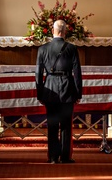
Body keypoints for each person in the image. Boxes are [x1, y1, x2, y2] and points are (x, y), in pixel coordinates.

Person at [35, 20, 83, 164]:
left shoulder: (43, 49)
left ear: (53, 31)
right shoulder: (72, 49)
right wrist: (78, 93)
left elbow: (38, 74)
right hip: (67, 88)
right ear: (65, 32)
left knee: (52, 124)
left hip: (50, 88)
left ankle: (53, 157)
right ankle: (65, 157)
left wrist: (40, 93)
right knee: (66, 125)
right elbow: (77, 73)